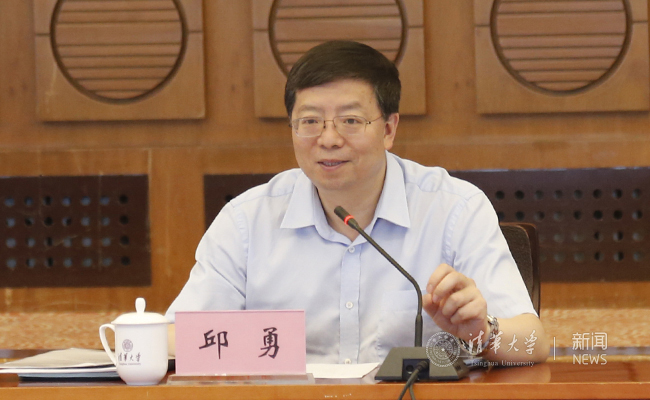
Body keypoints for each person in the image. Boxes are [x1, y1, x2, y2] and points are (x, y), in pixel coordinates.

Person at [166, 40, 550, 364]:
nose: (328, 139)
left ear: (388, 129)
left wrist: (482, 334)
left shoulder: (455, 209)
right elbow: (173, 340)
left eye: (350, 121)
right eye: (310, 121)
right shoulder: (246, 222)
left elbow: (534, 342)